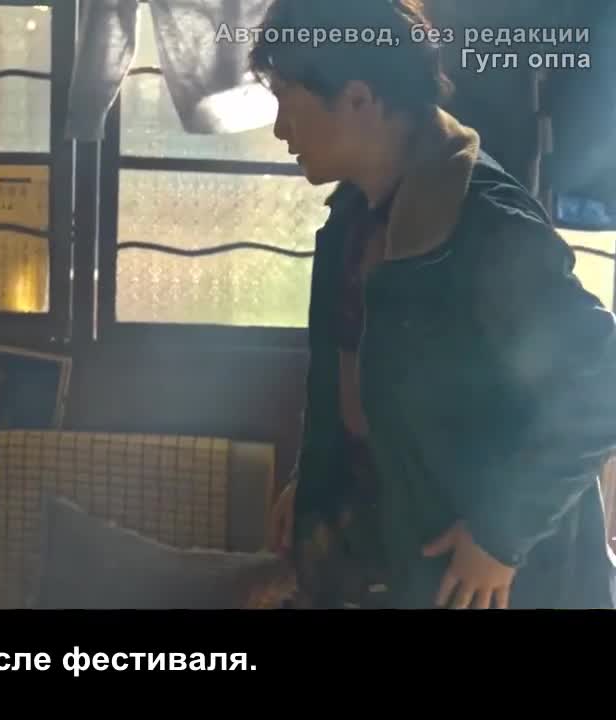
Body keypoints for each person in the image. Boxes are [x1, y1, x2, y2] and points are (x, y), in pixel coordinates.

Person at [255, 0, 616, 608]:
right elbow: (353, 381)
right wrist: (314, 479)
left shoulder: (486, 226)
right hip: (395, 548)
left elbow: (603, 382)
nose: (279, 129)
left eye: (286, 99)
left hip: (499, 578)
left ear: (358, 98)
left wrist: (501, 534)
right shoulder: (353, 217)